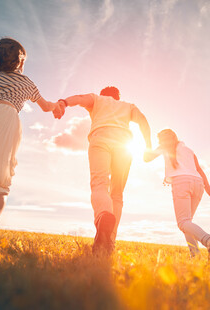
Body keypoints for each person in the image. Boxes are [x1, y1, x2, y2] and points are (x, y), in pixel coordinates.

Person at [58, 86, 152, 255]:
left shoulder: (96, 99)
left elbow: (79, 98)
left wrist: (64, 102)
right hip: (124, 145)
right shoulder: (128, 106)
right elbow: (143, 120)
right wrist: (148, 146)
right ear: (118, 97)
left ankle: (103, 215)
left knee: (99, 184)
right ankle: (109, 241)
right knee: (117, 194)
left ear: (104, 95)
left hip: (100, 138)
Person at [0, 38, 64, 228]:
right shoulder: (26, 83)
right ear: (20, 61)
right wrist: (57, 107)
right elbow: (45, 106)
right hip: (6, 119)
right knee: (0, 184)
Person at [144, 129, 210, 261]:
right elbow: (199, 170)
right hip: (198, 184)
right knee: (187, 223)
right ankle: (195, 256)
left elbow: (146, 158)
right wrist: (209, 188)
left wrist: (147, 142)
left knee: (183, 222)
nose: (159, 142)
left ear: (163, 139)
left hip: (181, 183)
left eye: (159, 139)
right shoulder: (189, 150)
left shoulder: (164, 146)